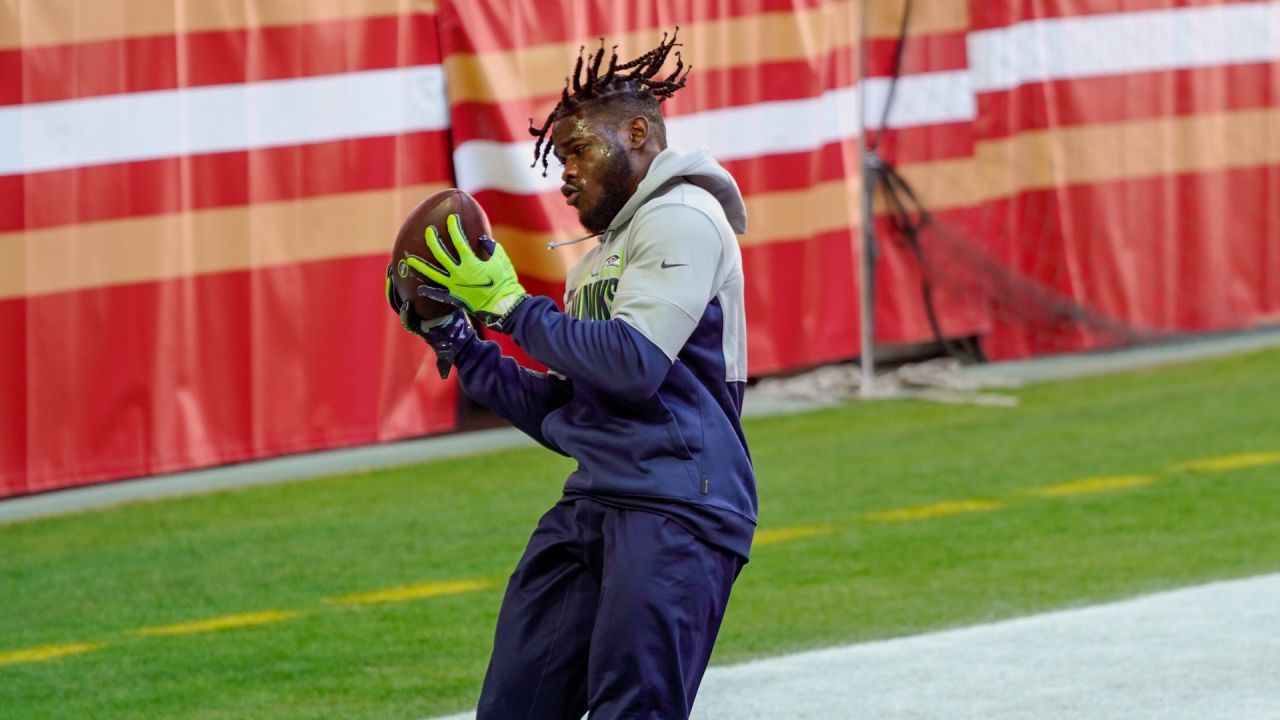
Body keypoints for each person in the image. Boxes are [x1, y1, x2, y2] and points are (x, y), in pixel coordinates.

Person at [385, 29, 755, 719]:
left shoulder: (683, 215)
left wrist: (509, 307)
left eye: (577, 149)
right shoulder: (601, 254)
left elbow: (634, 366)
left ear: (638, 132)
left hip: (680, 503)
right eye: (558, 159)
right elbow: (573, 413)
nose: (565, 174)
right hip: (599, 496)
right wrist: (463, 343)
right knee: (514, 708)